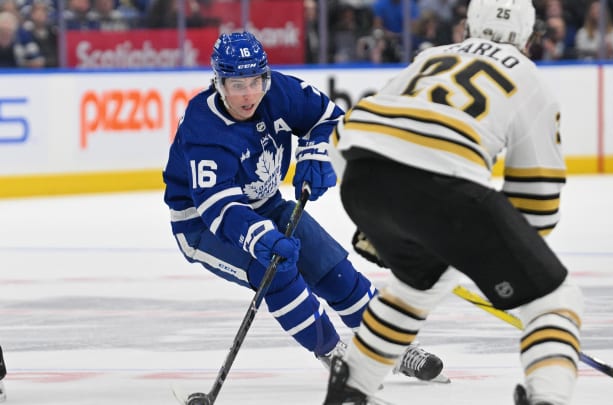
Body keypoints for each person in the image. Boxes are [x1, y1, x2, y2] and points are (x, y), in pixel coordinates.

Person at [323, 0, 584, 404]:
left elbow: (346, 136)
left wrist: (379, 225)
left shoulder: (431, 57)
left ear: (466, 28)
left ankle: (351, 388)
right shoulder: (529, 77)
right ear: (529, 38)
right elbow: (538, 199)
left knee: (414, 288)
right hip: (445, 187)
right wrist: (510, 259)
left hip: (362, 180)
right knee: (555, 299)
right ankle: (549, 396)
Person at [162, 31, 444, 382]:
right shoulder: (204, 126)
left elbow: (329, 119)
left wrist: (315, 152)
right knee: (277, 271)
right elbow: (215, 205)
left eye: (255, 81)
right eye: (237, 85)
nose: (249, 94)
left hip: (267, 204)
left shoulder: (279, 91)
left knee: (329, 266)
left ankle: (389, 345)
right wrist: (256, 236)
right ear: (218, 83)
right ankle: (332, 351)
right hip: (203, 226)